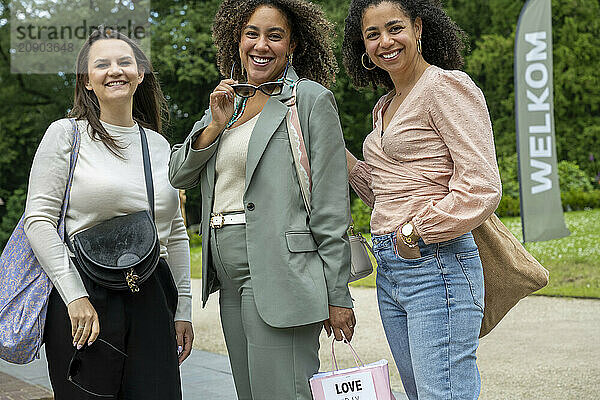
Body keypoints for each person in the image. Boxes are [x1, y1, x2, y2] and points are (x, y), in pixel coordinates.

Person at [169, 0, 355, 398]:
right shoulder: (228, 103)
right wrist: (214, 126)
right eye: (252, 33)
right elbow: (178, 174)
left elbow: (330, 207)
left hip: (279, 268)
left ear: (292, 45)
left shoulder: (308, 100)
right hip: (228, 275)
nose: (261, 45)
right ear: (237, 40)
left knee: (281, 392)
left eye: (275, 35)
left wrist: (337, 294)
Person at [342, 0, 502, 399]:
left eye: (394, 28)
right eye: (372, 34)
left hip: (437, 263)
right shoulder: (384, 106)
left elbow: (481, 186)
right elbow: (383, 192)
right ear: (362, 45)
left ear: (417, 27)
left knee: (442, 393)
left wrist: (416, 231)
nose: (385, 41)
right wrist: (330, 145)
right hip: (391, 269)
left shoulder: (444, 87)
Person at [23, 28, 193, 399]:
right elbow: (38, 221)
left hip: (150, 293)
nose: (114, 70)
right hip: (86, 295)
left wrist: (183, 311)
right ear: (86, 80)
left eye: (124, 62)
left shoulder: (159, 145)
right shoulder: (66, 135)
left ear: (140, 73)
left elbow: (175, 232)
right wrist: (74, 296)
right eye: (101, 64)